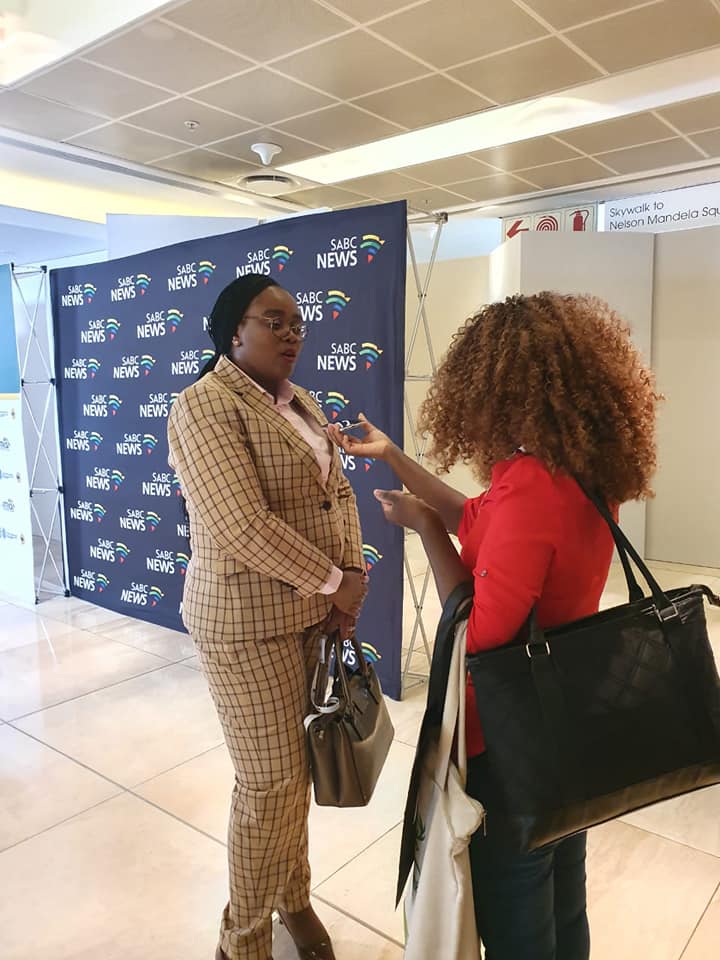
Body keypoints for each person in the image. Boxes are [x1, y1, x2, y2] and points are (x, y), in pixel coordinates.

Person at [328, 292, 659, 960]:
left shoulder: (532, 484)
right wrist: (393, 457)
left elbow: (480, 634)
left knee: (518, 917)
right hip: (569, 720)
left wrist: (423, 529)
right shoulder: (578, 473)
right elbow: (476, 517)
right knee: (565, 895)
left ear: (497, 388)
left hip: (511, 744)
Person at [167, 273, 368, 960]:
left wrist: (353, 581)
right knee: (270, 783)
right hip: (244, 626)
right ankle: (242, 941)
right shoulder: (204, 406)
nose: (291, 334)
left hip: (312, 615)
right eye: (273, 321)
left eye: (297, 323)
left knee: (299, 775)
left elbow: (334, 494)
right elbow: (239, 525)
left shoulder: (299, 400)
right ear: (234, 332)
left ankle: (294, 899)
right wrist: (336, 580)